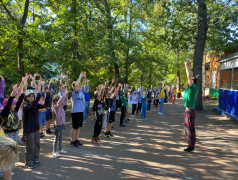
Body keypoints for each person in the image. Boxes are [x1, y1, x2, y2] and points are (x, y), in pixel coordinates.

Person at [23, 77, 44, 168]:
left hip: (35, 128)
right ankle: (28, 161)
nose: (31, 98)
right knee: (30, 146)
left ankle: (35, 159)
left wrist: (40, 89)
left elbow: (42, 104)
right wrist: (37, 93)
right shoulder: (25, 106)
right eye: (29, 96)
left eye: (32, 96)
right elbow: (32, 106)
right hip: (29, 129)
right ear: (26, 97)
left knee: (37, 144)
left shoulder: (35, 104)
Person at [184, 58, 199, 152]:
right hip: (190, 111)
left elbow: (188, 75)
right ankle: (191, 144)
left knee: (189, 129)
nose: (188, 80)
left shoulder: (192, 87)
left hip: (189, 111)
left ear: (192, 81)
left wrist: (187, 65)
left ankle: (191, 146)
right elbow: (189, 76)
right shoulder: (194, 88)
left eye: (190, 79)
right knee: (190, 128)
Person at [70, 72, 86, 147]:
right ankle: (72, 140)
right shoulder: (74, 92)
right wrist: (80, 76)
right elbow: (77, 85)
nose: (80, 86)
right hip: (75, 112)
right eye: (78, 86)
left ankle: (76, 139)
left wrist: (84, 77)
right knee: (74, 127)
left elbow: (84, 84)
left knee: (79, 127)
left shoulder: (81, 91)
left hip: (80, 111)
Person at [52, 88, 68, 157]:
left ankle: (60, 149)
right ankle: (54, 151)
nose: (60, 101)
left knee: (61, 138)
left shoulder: (61, 106)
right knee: (56, 138)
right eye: (58, 100)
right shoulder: (56, 107)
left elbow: (64, 100)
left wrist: (66, 94)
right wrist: (64, 94)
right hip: (57, 125)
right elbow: (60, 101)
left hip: (61, 124)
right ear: (55, 101)